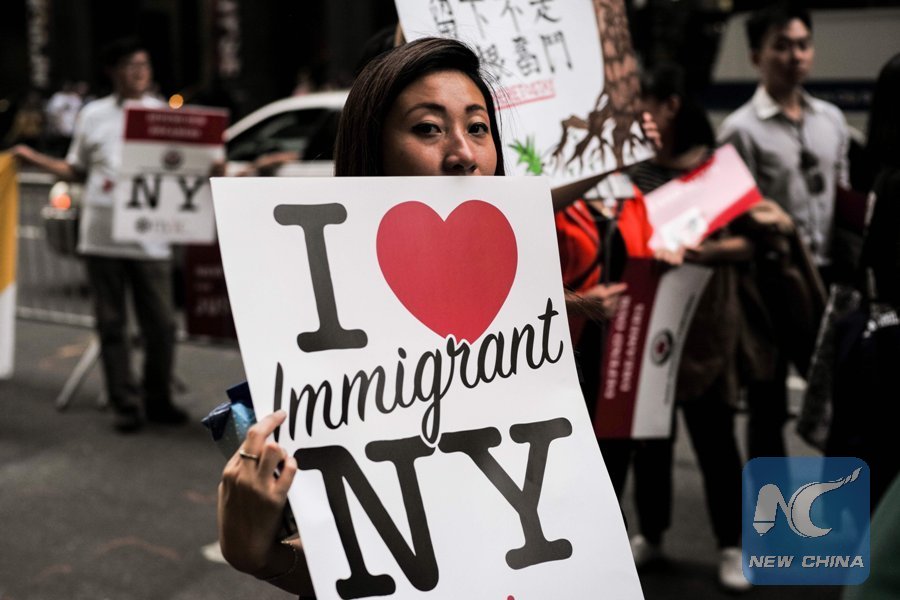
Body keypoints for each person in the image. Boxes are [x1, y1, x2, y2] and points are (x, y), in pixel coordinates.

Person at [216, 37, 505, 596]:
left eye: (477, 127)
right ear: (372, 151)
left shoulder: (531, 309)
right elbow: (356, 563)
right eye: (428, 128)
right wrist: (259, 553)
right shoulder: (314, 328)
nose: (463, 154)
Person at [12, 38, 187, 433]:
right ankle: (125, 402)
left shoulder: (164, 115)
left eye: (144, 64)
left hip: (151, 239)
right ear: (113, 71)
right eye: (131, 65)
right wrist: (33, 158)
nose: (139, 72)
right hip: (102, 237)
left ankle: (158, 398)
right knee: (111, 324)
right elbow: (77, 170)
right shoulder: (93, 115)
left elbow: (184, 170)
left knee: (162, 324)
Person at [717, 2, 841, 460]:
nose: (796, 56)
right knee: (766, 406)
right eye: (782, 46)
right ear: (756, 56)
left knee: (838, 402)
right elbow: (733, 214)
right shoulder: (740, 130)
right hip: (767, 283)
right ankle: (772, 510)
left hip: (825, 278)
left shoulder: (831, 121)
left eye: (803, 45)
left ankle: (843, 503)